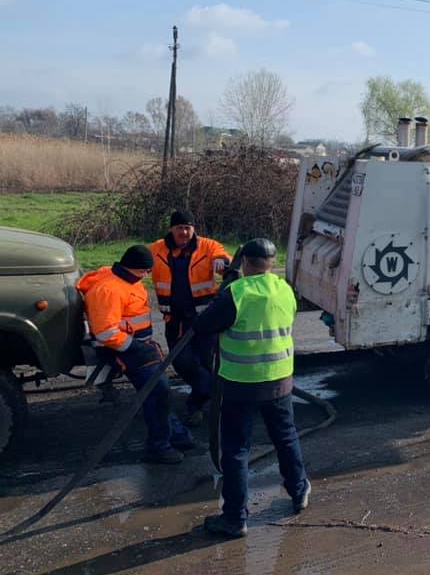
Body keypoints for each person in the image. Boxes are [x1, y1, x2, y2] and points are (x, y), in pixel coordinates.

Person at [193, 238, 310, 538]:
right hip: (280, 380)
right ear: (272, 262)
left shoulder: (237, 293)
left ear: (243, 261)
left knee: (235, 449)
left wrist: (226, 287)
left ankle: (234, 518)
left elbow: (203, 325)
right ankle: (299, 492)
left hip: (240, 384)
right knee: (285, 437)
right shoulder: (286, 288)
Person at [77, 244, 194, 464]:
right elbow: (106, 332)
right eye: (145, 271)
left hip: (138, 346)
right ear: (134, 268)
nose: (147, 275)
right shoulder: (108, 290)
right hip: (123, 350)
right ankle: (159, 447)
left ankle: (176, 434)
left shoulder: (128, 280)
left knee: (160, 392)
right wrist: (136, 348)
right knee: (157, 392)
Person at [149, 211, 231, 427]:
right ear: (171, 230)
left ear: (193, 229)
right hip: (175, 320)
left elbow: (222, 256)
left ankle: (196, 405)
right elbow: (136, 263)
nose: (184, 232)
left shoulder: (208, 246)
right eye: (179, 228)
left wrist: (222, 263)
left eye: (188, 227)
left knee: (204, 362)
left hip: (204, 319)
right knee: (183, 363)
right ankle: (215, 392)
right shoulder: (156, 249)